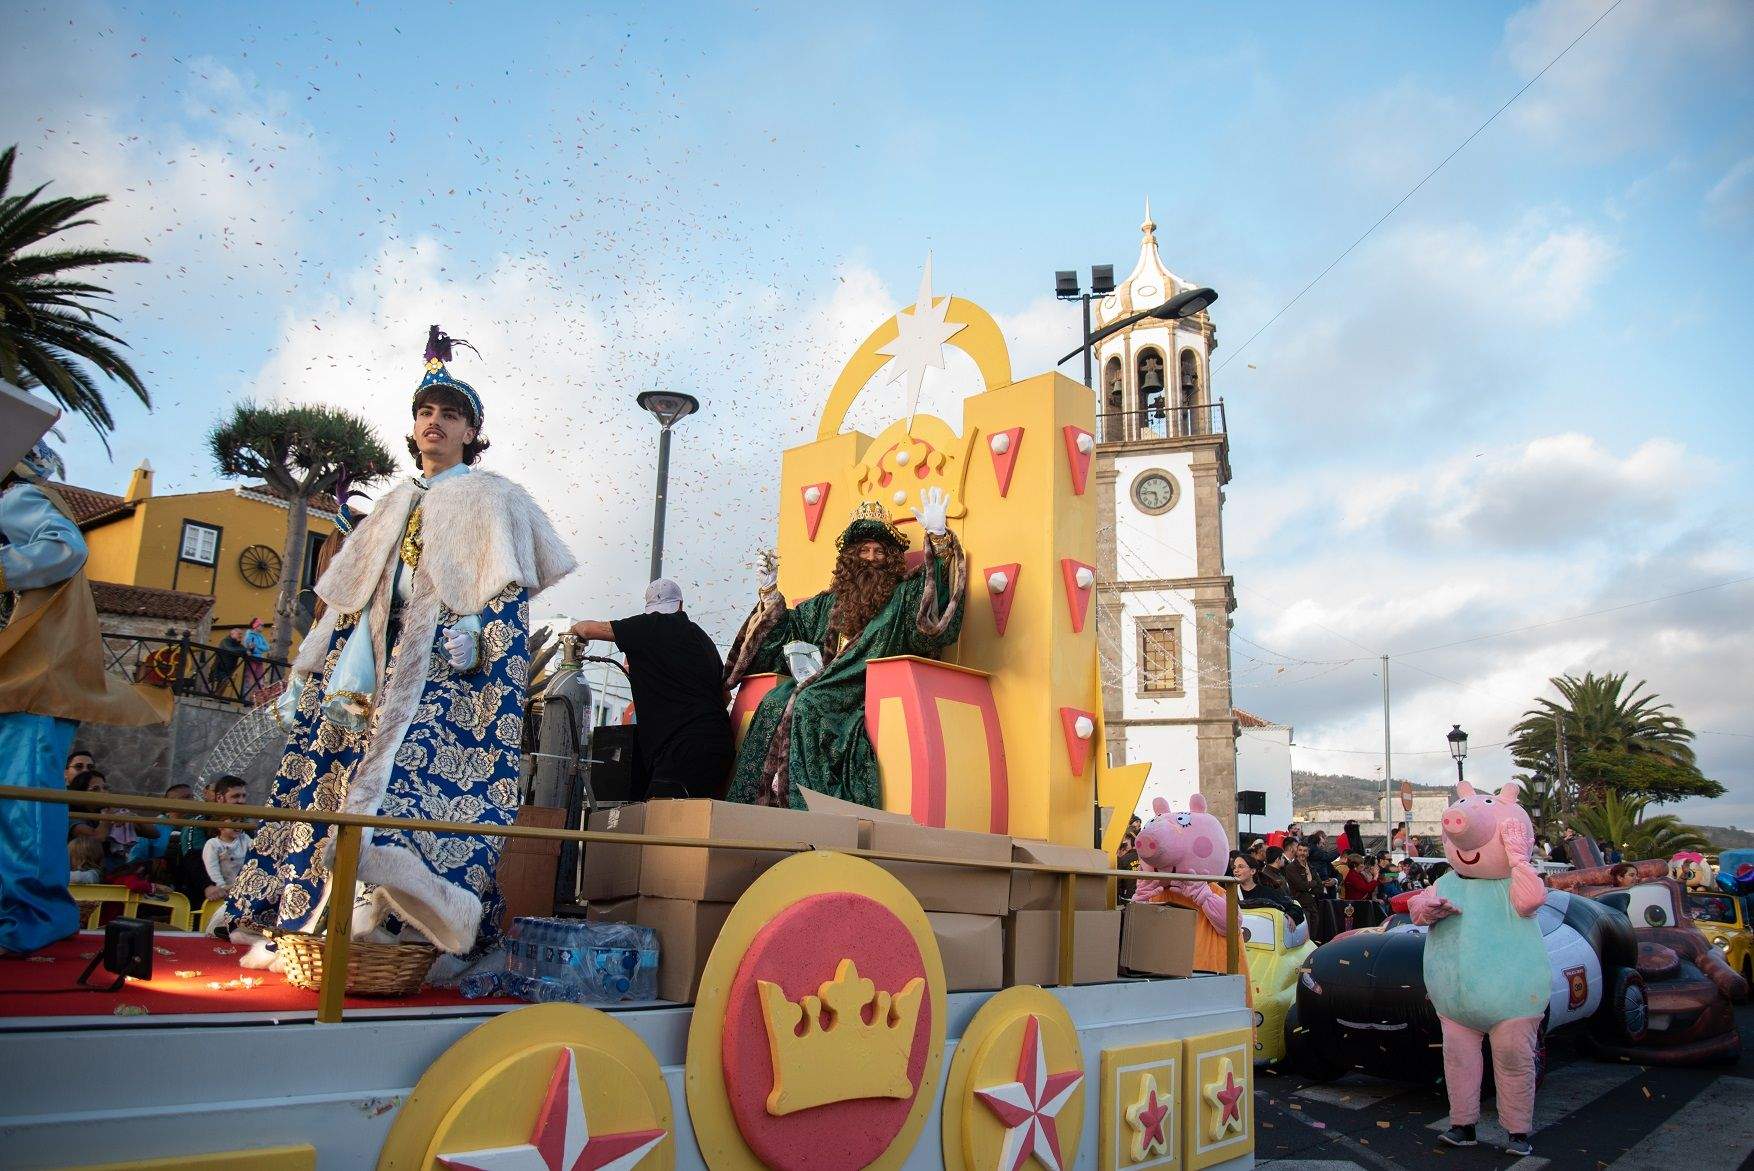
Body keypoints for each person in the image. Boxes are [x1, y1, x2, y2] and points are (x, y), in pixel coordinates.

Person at [227, 326, 575, 972]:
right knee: (332, 788)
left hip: (445, 679)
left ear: (473, 431)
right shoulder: (390, 504)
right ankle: (313, 919)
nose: (434, 422)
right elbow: (349, 600)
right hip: (367, 684)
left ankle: (410, 924)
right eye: (425, 411)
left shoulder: (494, 499)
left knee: (418, 792)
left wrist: (475, 642)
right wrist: (309, 669)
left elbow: (502, 600)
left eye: (450, 414)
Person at [0, 442, 169, 955]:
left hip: (30, 686)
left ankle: (35, 918)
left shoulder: (16, 497)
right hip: (23, 685)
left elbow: (64, 548)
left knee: (23, 806)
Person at [724, 492, 966, 809]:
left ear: (890, 557)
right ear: (850, 557)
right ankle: (758, 804)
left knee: (810, 702)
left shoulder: (902, 596)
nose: (870, 557)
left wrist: (939, 540)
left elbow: (929, 623)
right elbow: (787, 632)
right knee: (775, 701)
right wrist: (770, 593)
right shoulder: (828, 604)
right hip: (819, 687)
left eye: (879, 552)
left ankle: (808, 809)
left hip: (863, 691)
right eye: (863, 550)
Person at [569, 578, 733, 799]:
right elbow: (725, 697)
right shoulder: (702, 639)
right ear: (681, 605)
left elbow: (588, 629)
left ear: (648, 608)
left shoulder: (647, 626)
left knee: (659, 822)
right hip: (720, 744)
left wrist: (572, 634)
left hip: (680, 751)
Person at [1232, 851, 1303, 923]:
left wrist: (1291, 916)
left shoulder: (1267, 893)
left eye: (1240, 867)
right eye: (1234, 867)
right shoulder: (1229, 894)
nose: (1236, 871)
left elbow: (1295, 908)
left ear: (1253, 871)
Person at [1283, 840, 1324, 924]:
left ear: (1308, 853)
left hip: (1313, 905)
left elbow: (1320, 887)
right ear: (1296, 852)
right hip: (1300, 906)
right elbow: (1301, 886)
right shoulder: (1291, 868)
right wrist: (1313, 883)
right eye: (1300, 850)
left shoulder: (1311, 867)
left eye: (1305, 851)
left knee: (1314, 933)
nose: (1302, 853)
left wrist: (1310, 887)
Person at [241, 618, 270, 700]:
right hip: (251, 659)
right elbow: (248, 646)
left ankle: (256, 700)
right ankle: (245, 699)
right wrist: (259, 648)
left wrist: (257, 646)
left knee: (260, 680)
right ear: (256, 626)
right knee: (248, 679)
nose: (262, 627)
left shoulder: (261, 636)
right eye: (261, 625)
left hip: (259, 659)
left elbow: (267, 647)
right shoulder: (249, 635)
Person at [212, 628, 247, 695]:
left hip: (229, 668)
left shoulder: (237, 644)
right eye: (239, 634)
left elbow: (243, 650)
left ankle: (216, 697)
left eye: (241, 634)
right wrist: (245, 651)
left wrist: (250, 649)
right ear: (232, 634)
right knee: (218, 681)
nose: (241, 636)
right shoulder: (225, 641)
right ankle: (214, 696)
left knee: (224, 682)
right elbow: (230, 650)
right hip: (220, 666)